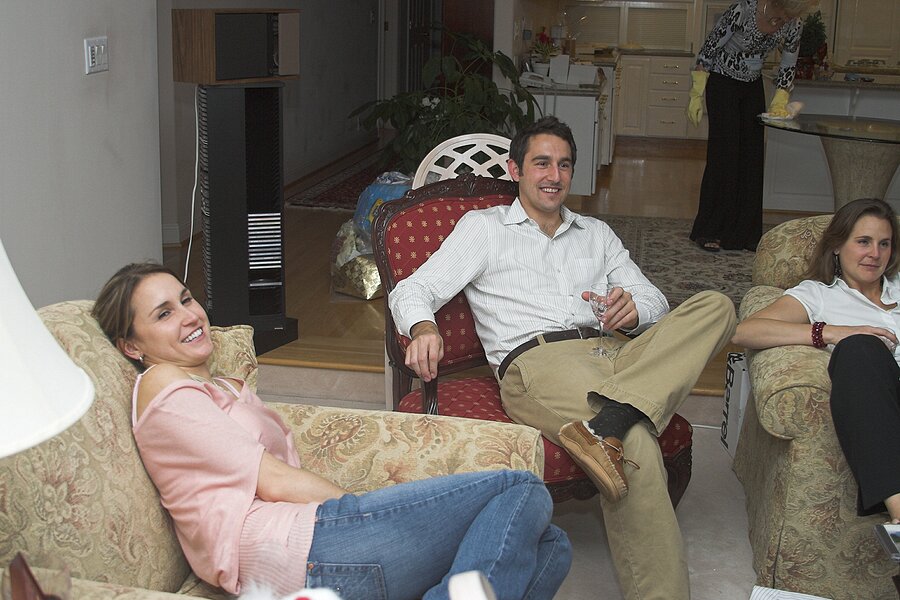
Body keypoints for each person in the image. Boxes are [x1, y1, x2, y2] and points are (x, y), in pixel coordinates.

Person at [389, 115, 737, 600]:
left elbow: (654, 300)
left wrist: (635, 309)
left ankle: (610, 419)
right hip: (541, 362)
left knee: (716, 307)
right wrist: (423, 327)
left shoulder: (596, 233)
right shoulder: (485, 229)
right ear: (516, 170)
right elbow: (414, 288)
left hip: (616, 351)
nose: (554, 176)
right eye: (542, 163)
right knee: (635, 442)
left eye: (564, 165)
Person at [91, 262, 572, 600]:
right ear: (132, 347)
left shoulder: (217, 385)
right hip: (291, 551)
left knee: (550, 545)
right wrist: (362, 512)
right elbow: (272, 480)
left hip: (310, 541)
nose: (189, 316)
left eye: (186, 299)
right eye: (163, 314)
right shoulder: (162, 385)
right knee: (519, 487)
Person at [733, 197, 900, 525]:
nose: (875, 253)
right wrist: (833, 332)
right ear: (837, 245)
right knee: (860, 348)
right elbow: (746, 332)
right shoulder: (819, 295)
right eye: (863, 242)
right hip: (884, 397)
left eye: (884, 244)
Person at [687, 0, 819, 252]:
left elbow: (788, 61)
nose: (788, 18)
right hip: (722, 82)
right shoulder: (743, 10)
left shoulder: (793, 22)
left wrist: (781, 96)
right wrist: (696, 91)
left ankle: (744, 234)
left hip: (752, 85)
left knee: (752, 156)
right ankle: (709, 229)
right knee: (725, 156)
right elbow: (710, 47)